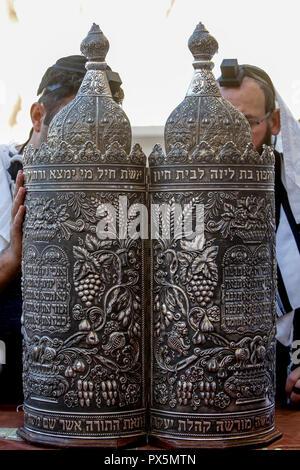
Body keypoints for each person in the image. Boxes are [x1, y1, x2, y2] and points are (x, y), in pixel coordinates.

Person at [0, 55, 125, 404]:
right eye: (74, 127)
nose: (87, 146)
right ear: (38, 116)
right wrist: (12, 258)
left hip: (83, 397)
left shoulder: (116, 196)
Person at [218, 61, 300, 406]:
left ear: (275, 122)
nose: (232, 140)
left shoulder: (295, 193)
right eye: (219, 125)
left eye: (248, 123)